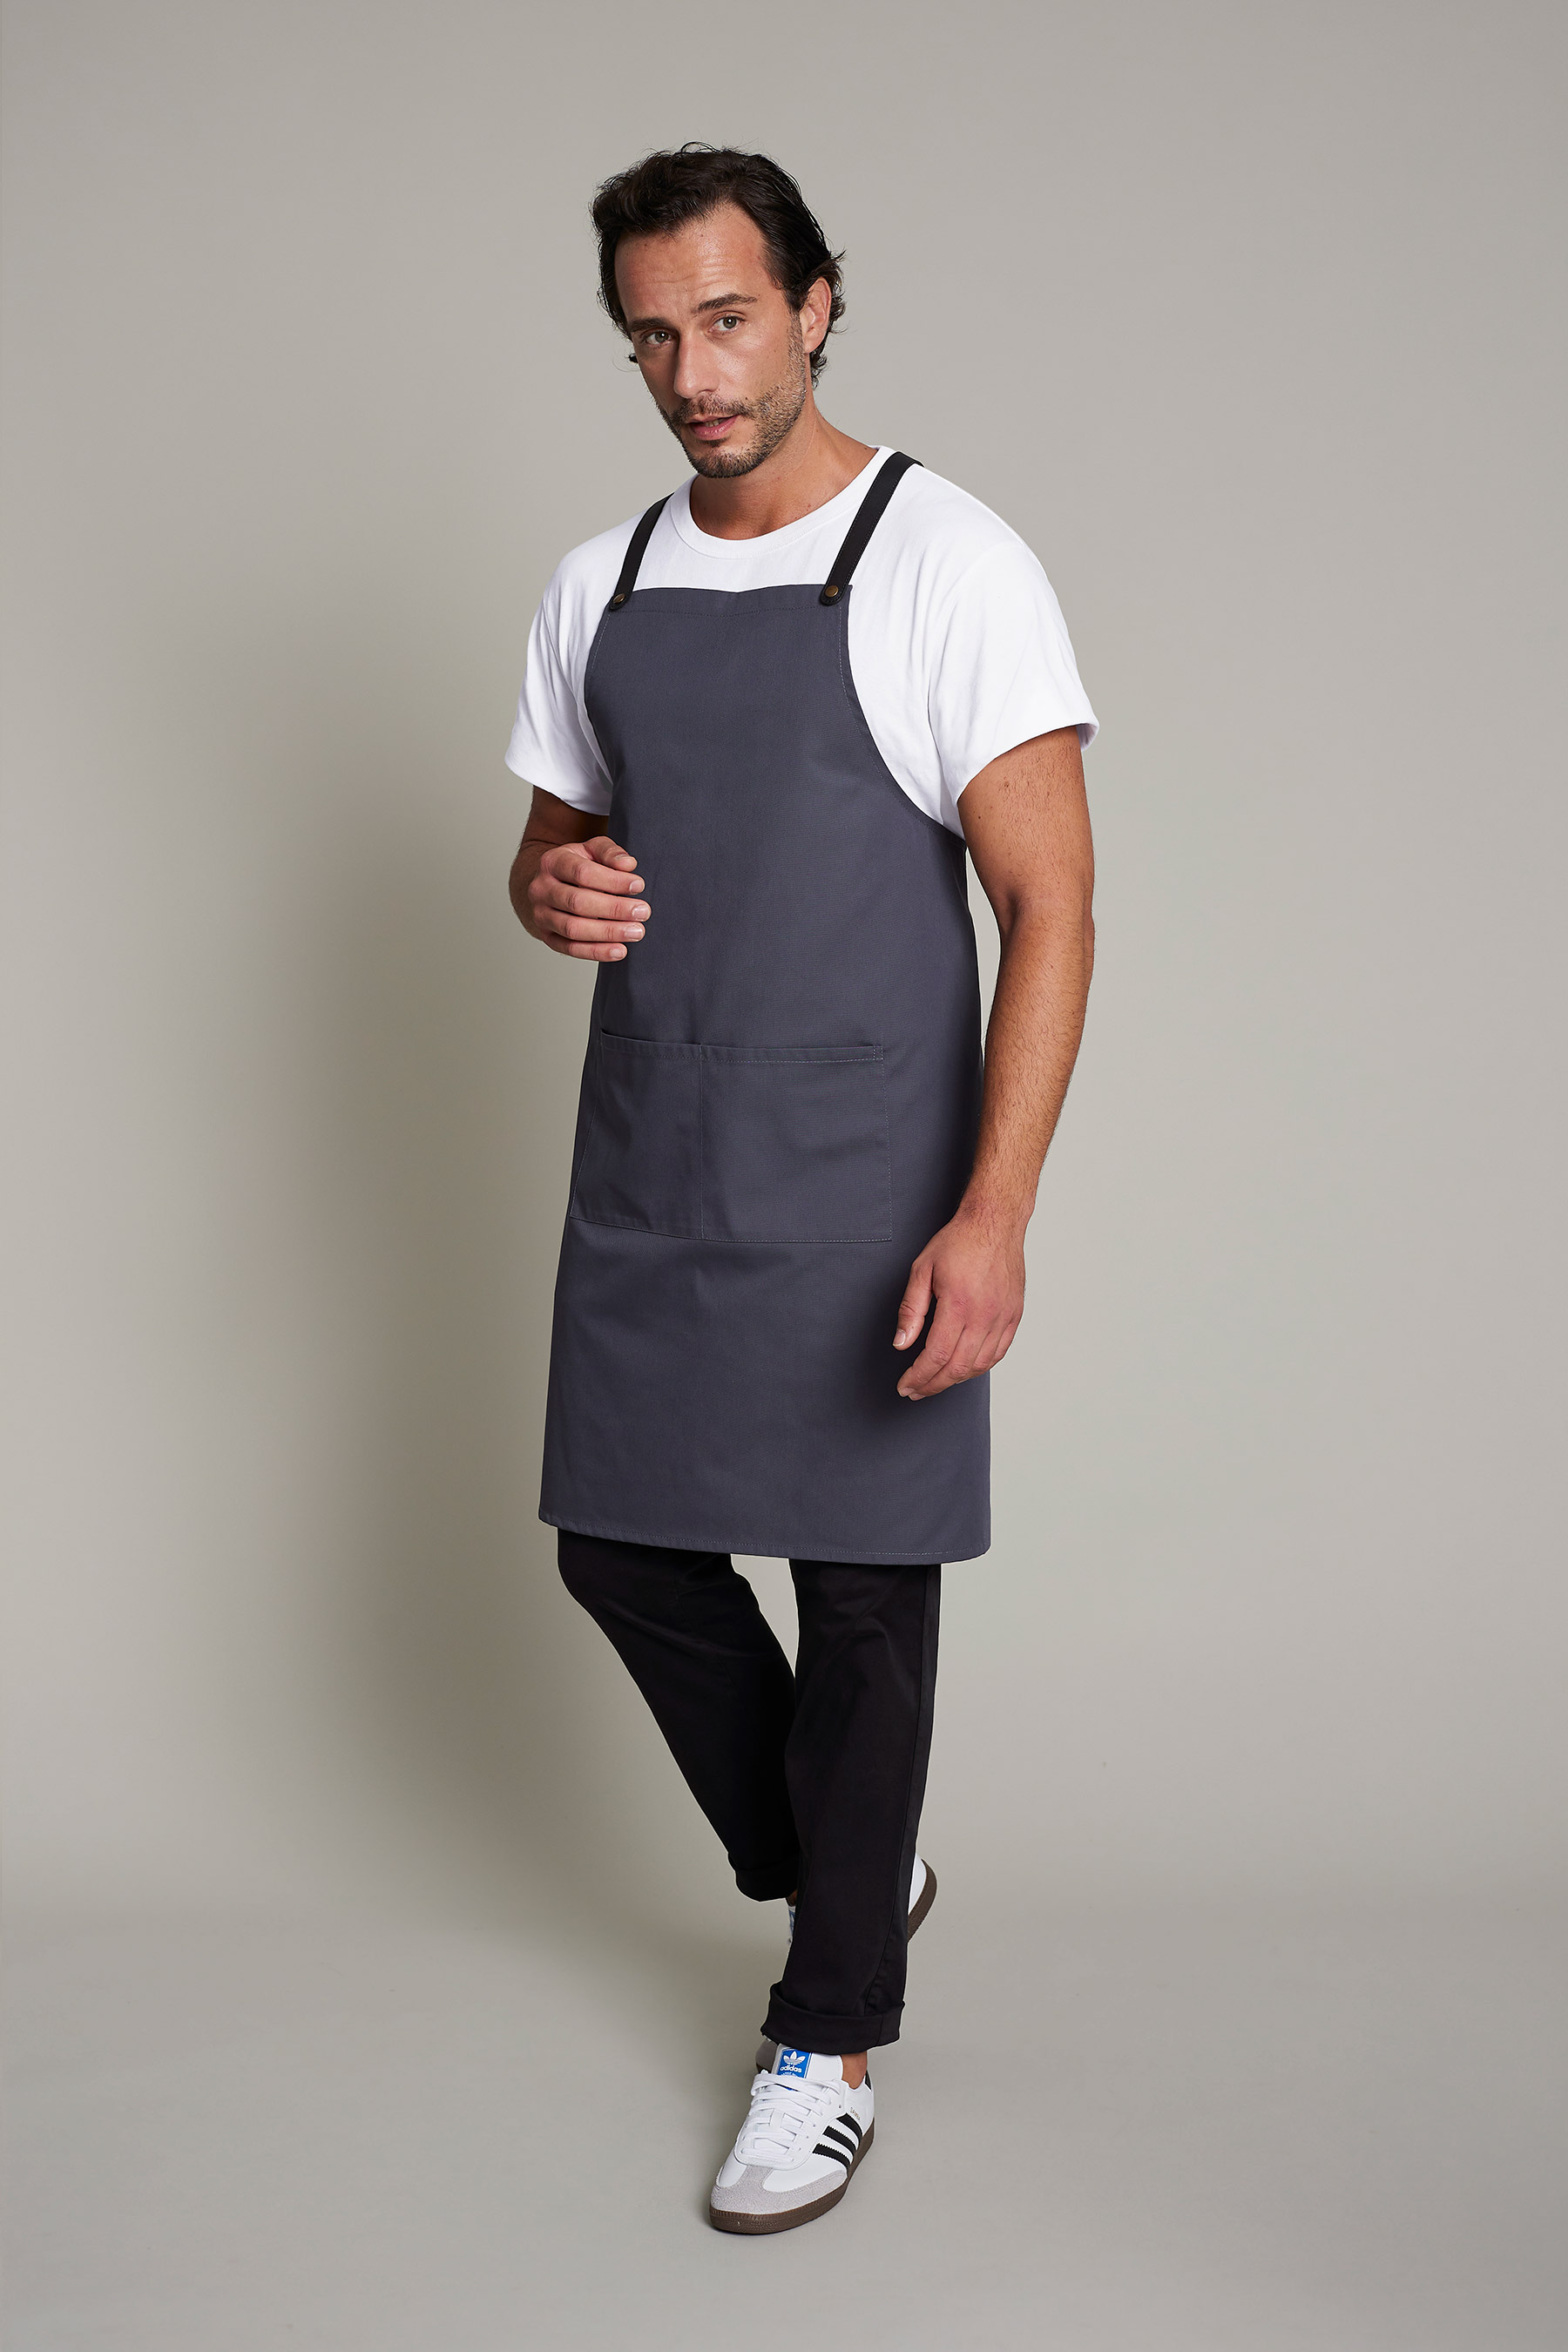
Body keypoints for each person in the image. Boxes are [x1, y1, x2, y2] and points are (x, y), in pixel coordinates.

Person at [505, 145, 1097, 2234]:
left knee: (860, 1603)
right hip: (658, 1148)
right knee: (618, 1552)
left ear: (820, 304)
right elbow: (552, 846)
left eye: (731, 318)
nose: (695, 372)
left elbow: (1051, 906)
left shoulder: (948, 560)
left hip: (869, 1174)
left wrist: (995, 1212)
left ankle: (825, 2038)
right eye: (652, 336)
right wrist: (549, 889)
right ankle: (850, 1859)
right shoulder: (603, 581)